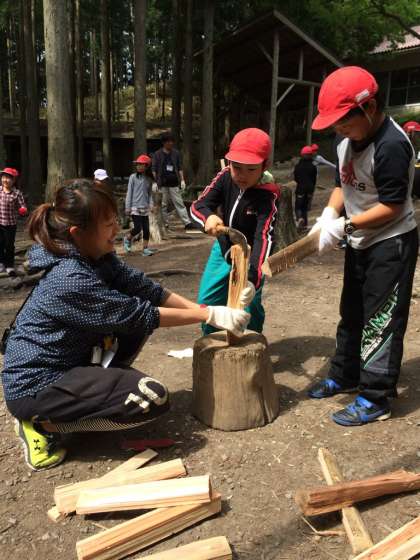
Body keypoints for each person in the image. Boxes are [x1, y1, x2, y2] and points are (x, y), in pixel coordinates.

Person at [1, 179, 250, 470]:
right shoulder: (69, 278)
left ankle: (95, 392)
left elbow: (145, 289)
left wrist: (205, 309)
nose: (116, 230)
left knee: (136, 326)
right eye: (108, 225)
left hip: (69, 361)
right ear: (77, 233)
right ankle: (41, 424)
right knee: (151, 398)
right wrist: (208, 317)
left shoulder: (95, 256)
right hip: (36, 384)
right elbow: (138, 314)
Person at [307, 66, 418, 426]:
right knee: (352, 310)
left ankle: (375, 396)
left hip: (391, 241)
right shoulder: (344, 142)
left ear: (369, 107)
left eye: (344, 121)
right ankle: (346, 373)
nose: (339, 129)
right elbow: (343, 184)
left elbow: (393, 206)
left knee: (381, 318)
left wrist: (347, 225)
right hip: (359, 241)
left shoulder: (392, 146)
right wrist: (329, 214)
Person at [190, 128, 280, 335]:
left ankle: (253, 342)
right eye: (236, 167)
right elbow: (198, 205)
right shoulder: (225, 177)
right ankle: (212, 342)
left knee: (248, 305)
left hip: (251, 256)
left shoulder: (269, 195)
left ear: (264, 166)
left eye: (251, 169)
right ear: (229, 162)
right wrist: (208, 217)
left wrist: (253, 278)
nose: (242, 175)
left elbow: (264, 237)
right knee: (207, 300)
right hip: (223, 249)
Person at [151, 132, 197, 232]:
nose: (170, 143)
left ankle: (187, 222)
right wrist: (155, 182)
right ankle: (165, 223)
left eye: (172, 141)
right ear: (164, 143)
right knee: (163, 205)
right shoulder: (157, 154)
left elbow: (179, 167)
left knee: (179, 203)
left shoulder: (176, 153)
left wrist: (182, 180)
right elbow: (154, 169)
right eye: (168, 141)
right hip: (162, 184)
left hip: (174, 183)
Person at [124, 155, 156, 256]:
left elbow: (150, 194)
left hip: (145, 207)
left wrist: (151, 205)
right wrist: (128, 207)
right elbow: (129, 192)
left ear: (146, 166)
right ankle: (127, 238)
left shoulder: (149, 179)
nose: (138, 166)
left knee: (146, 229)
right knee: (138, 228)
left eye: (141, 164)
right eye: (137, 164)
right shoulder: (133, 177)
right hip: (134, 207)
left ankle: (145, 249)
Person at [0, 167, 27, 277]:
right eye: (4, 177)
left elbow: (22, 205)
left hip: (11, 224)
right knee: (0, 244)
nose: (5, 180)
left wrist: (23, 209)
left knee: (9, 245)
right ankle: (1, 262)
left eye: (8, 178)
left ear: (14, 180)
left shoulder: (17, 193)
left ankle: (9, 265)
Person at [294, 146, 317, 229]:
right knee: (305, 207)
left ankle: (300, 218)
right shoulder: (313, 166)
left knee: (298, 206)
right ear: (311, 155)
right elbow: (314, 179)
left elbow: (296, 178)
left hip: (300, 188)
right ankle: (305, 225)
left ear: (302, 155)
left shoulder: (298, 166)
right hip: (310, 189)